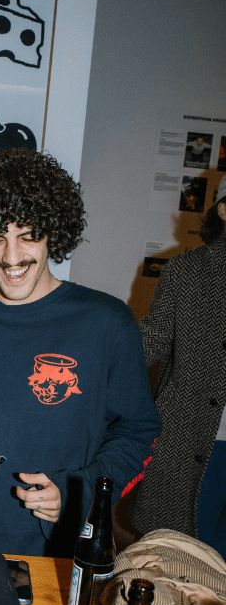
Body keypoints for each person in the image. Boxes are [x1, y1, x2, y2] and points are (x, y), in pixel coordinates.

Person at [0, 148, 161, 556]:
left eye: (28, 236)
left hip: (60, 553)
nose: (11, 257)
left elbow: (139, 433)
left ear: (53, 231)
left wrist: (80, 493)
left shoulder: (107, 321)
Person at [130, 176, 226, 552]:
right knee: (177, 556)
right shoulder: (187, 271)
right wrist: (91, 362)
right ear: (223, 209)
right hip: (194, 438)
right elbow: (151, 340)